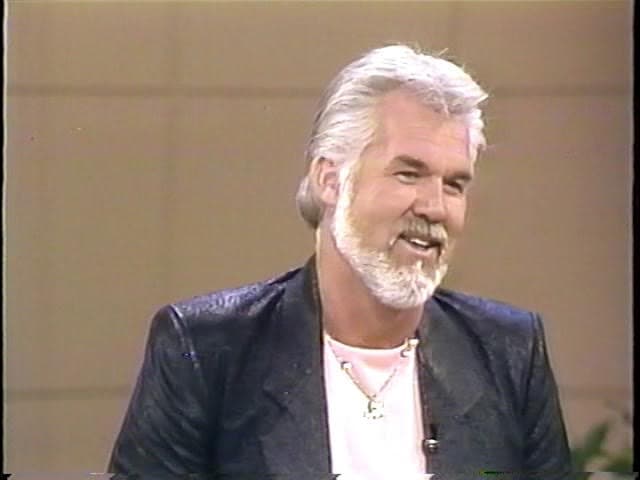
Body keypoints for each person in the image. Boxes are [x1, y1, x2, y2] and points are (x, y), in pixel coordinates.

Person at [108, 44, 572, 479]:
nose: (435, 208)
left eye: (454, 184)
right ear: (329, 181)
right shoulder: (208, 350)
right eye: (408, 173)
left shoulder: (509, 351)